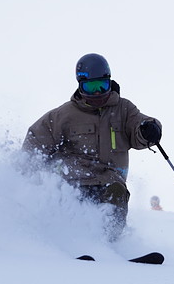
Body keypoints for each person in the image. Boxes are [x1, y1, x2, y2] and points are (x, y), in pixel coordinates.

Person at [22, 53, 162, 241]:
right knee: (73, 200)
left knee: (117, 193)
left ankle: (110, 245)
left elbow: (140, 128)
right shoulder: (64, 114)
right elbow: (36, 140)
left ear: (109, 82)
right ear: (80, 85)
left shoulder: (124, 109)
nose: (97, 93)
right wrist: (26, 171)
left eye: (101, 86)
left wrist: (149, 129)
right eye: (90, 87)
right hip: (75, 181)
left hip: (110, 180)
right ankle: (71, 241)